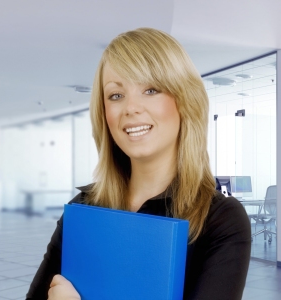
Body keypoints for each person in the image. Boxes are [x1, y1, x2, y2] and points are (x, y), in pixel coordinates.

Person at [26, 28, 251, 300]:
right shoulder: (82, 209)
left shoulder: (220, 219)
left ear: (185, 101)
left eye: (151, 89)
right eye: (116, 95)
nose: (130, 108)